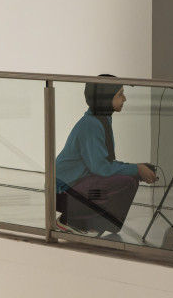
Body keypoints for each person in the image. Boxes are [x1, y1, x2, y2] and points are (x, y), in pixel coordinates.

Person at [55, 76, 158, 236]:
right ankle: (69, 219)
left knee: (130, 180)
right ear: (105, 98)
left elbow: (105, 163)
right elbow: (101, 168)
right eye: (120, 94)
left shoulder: (102, 119)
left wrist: (137, 169)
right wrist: (136, 168)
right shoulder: (91, 124)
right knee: (124, 182)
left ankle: (96, 222)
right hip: (64, 194)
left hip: (76, 187)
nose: (124, 99)